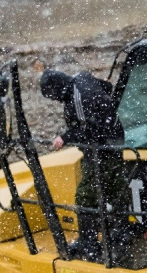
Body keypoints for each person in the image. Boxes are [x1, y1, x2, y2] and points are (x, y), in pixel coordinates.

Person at [40, 69, 131, 262]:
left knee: (85, 195)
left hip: (102, 147)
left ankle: (88, 242)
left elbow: (89, 128)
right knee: (116, 188)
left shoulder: (79, 97)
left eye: (53, 96)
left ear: (57, 88)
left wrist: (64, 138)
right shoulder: (82, 77)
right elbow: (107, 87)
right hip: (115, 140)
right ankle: (121, 233)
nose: (55, 100)